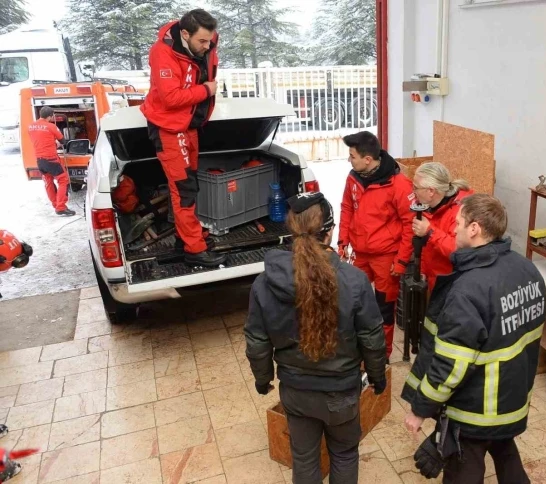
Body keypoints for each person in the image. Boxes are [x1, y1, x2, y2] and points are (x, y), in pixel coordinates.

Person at [401, 194, 546, 484]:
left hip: (475, 410)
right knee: (505, 452)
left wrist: (420, 409)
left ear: (474, 228)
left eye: (457, 223)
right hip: (511, 399)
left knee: (464, 469)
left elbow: (451, 366)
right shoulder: (527, 270)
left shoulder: (468, 289)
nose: (453, 229)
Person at [245, 192, 387, 484]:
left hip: (296, 393)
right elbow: (372, 337)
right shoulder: (354, 281)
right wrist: (377, 378)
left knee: (305, 459)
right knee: (345, 454)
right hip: (343, 393)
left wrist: (263, 380)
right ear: (330, 230)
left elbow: (257, 343)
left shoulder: (264, 283)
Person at [140, 8, 225, 268]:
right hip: (169, 129)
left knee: (189, 186)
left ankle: (187, 237)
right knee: (184, 190)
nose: (206, 45)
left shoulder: (203, 43)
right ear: (185, 34)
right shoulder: (162, 52)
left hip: (189, 127)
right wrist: (206, 90)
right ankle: (194, 250)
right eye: (201, 41)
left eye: (209, 41)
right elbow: (171, 98)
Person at [339, 131, 415, 360]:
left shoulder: (399, 185)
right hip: (358, 255)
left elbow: (410, 224)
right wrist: (342, 242)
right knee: (351, 302)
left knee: (384, 309)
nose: (349, 160)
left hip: (386, 259)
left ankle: (382, 355)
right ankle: (355, 350)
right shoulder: (353, 177)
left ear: (368, 159)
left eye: (352, 156)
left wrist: (401, 261)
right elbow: (346, 208)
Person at [411, 162, 474, 289]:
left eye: (415, 188)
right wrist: (422, 272)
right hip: (434, 279)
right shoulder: (428, 206)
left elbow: (459, 250)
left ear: (431, 191)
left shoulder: (462, 211)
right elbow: (426, 246)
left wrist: (429, 232)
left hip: (452, 284)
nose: (413, 193)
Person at [27, 106, 74, 216]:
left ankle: (56, 205)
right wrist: (57, 143)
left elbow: (39, 140)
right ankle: (61, 207)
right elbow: (62, 140)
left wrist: (51, 142)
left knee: (48, 182)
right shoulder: (51, 126)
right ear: (50, 116)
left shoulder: (31, 127)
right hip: (51, 159)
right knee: (63, 180)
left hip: (40, 160)